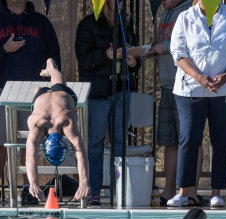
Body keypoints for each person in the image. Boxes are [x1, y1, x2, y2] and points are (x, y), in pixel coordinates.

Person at [167, 0, 226, 207]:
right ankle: (184, 192)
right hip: (190, 89)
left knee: (221, 141)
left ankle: (217, 193)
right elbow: (178, 52)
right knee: (189, 139)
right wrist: (200, 77)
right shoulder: (185, 17)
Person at [75, 0, 142, 206]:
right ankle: (94, 190)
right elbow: (83, 58)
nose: (120, 3)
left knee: (119, 142)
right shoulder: (88, 24)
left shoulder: (126, 24)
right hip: (97, 92)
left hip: (121, 89)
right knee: (95, 142)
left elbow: (135, 52)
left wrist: (134, 62)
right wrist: (106, 54)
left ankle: (118, 190)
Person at [148, 0, 208, 206]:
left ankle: (191, 191)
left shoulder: (190, 12)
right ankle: (169, 189)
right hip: (167, 85)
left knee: (191, 140)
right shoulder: (167, 13)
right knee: (170, 141)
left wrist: (159, 48)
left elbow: (187, 43)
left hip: (185, 86)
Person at [0, 0, 61, 199]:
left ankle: (29, 191)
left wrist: (50, 77)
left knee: (30, 144)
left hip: (33, 96)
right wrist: (4, 49)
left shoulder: (41, 23)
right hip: (2, 94)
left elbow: (53, 58)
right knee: (1, 145)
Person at [26, 58, 89, 202]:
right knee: (53, 86)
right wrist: (34, 183)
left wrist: (33, 183)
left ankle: (52, 68)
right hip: (39, 97)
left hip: (61, 94)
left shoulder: (65, 121)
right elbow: (80, 151)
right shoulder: (39, 124)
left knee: (59, 83)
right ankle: (51, 68)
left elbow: (80, 151)